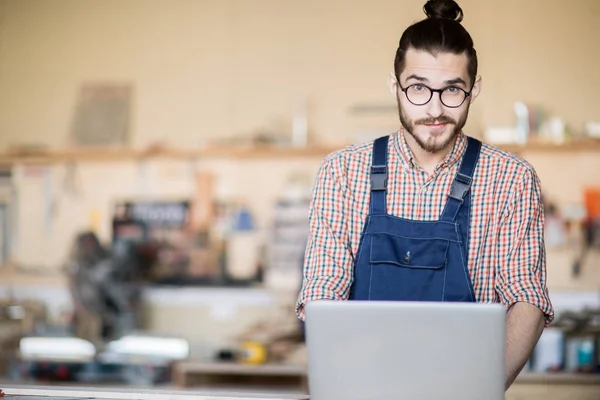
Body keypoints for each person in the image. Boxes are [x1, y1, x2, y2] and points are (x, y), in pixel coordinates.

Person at [295, 0, 553, 390]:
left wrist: (476, 389)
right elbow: (321, 294)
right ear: (394, 86)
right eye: (418, 88)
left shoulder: (512, 179)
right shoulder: (343, 172)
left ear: (474, 89)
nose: (434, 109)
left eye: (452, 90)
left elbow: (528, 297)